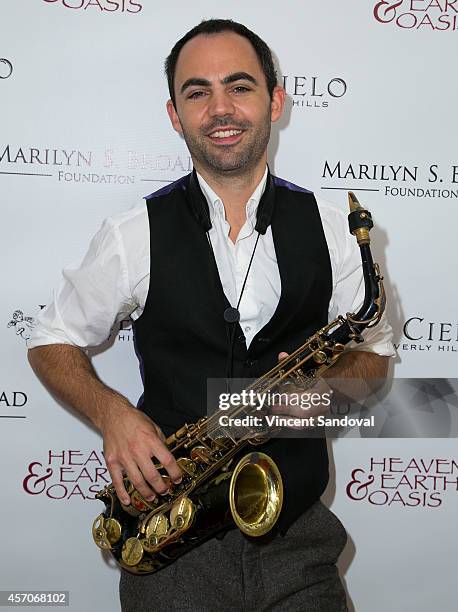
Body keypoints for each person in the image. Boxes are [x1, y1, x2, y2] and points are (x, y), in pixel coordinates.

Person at [28, 18, 394, 612]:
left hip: (297, 539)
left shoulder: (336, 230)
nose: (220, 108)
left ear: (275, 101)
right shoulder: (132, 234)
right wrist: (113, 413)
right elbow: (50, 340)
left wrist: (323, 391)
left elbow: (374, 358)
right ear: (175, 114)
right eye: (197, 92)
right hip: (171, 536)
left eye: (240, 86)